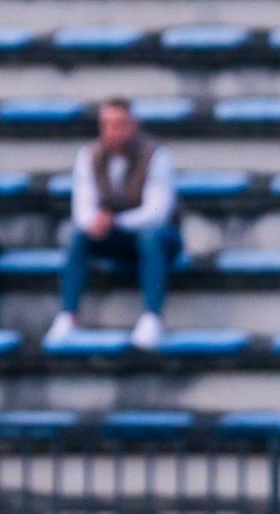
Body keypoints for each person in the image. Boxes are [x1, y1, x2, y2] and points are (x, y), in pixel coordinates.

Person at [45, 97, 182, 351]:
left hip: (160, 237)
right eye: (106, 124)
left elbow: (157, 212)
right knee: (79, 237)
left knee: (150, 238)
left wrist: (115, 221)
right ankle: (67, 315)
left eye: (119, 124)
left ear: (133, 125)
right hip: (117, 236)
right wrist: (95, 222)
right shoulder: (89, 155)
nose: (113, 131)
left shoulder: (156, 155)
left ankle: (152, 316)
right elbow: (82, 210)